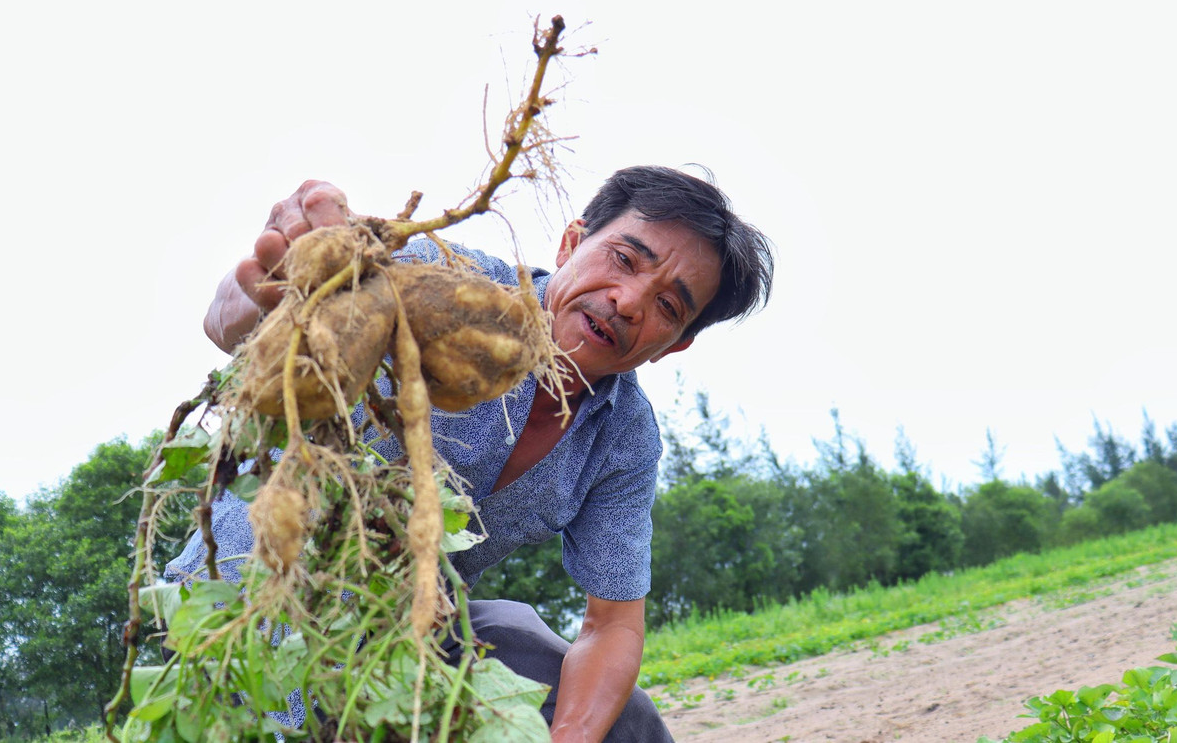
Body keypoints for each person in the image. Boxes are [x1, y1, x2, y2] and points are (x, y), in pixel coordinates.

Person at [173, 166, 774, 742]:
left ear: (677, 345)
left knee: (601, 703)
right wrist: (271, 288)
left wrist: (570, 736)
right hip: (248, 610)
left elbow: (613, 623)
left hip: (403, 640)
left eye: (669, 306)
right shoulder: (438, 281)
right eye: (624, 260)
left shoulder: (623, 440)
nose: (629, 302)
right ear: (572, 243)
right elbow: (229, 320)